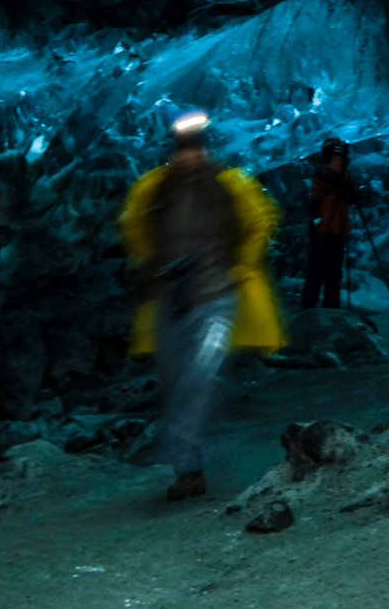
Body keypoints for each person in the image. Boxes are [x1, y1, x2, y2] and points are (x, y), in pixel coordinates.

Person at [118, 109, 284, 501]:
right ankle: (188, 471)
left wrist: (240, 265)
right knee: (176, 381)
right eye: (182, 148)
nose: (187, 155)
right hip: (169, 301)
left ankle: (179, 447)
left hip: (216, 297)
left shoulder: (229, 186)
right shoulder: (153, 188)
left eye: (193, 148)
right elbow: (134, 226)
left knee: (199, 376)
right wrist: (149, 267)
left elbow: (261, 220)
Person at [300, 136, 360, 310]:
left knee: (333, 277)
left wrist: (343, 168)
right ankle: (306, 312)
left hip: (337, 233)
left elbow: (355, 197)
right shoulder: (321, 172)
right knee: (315, 274)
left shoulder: (342, 176)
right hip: (322, 230)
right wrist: (338, 159)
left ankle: (331, 313)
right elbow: (332, 176)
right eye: (335, 153)